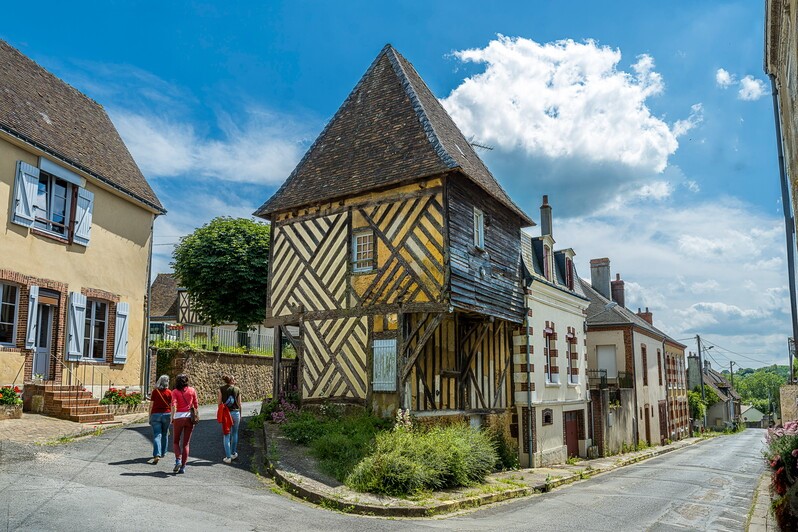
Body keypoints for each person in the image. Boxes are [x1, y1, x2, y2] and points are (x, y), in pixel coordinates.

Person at [171, 373, 198, 474]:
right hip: (189, 418)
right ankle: (183, 467)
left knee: (175, 441)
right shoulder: (192, 390)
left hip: (178, 417)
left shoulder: (175, 392)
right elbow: (196, 404)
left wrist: (172, 418)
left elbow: (173, 405)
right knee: (186, 444)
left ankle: (178, 459)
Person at [148, 375, 172, 464]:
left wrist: (149, 416)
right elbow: (172, 406)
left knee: (157, 434)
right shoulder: (170, 392)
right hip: (167, 414)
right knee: (165, 433)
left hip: (155, 414)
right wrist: (172, 417)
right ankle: (163, 452)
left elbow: (151, 406)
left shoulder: (155, 392)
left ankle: (157, 454)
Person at [218, 375, 241, 464]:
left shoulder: (221, 389)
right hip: (236, 413)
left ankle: (228, 457)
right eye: (234, 379)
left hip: (226, 414)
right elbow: (239, 404)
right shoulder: (237, 389)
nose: (235, 380)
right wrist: (240, 414)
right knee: (235, 433)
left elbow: (219, 403)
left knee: (226, 434)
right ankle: (233, 453)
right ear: (232, 381)